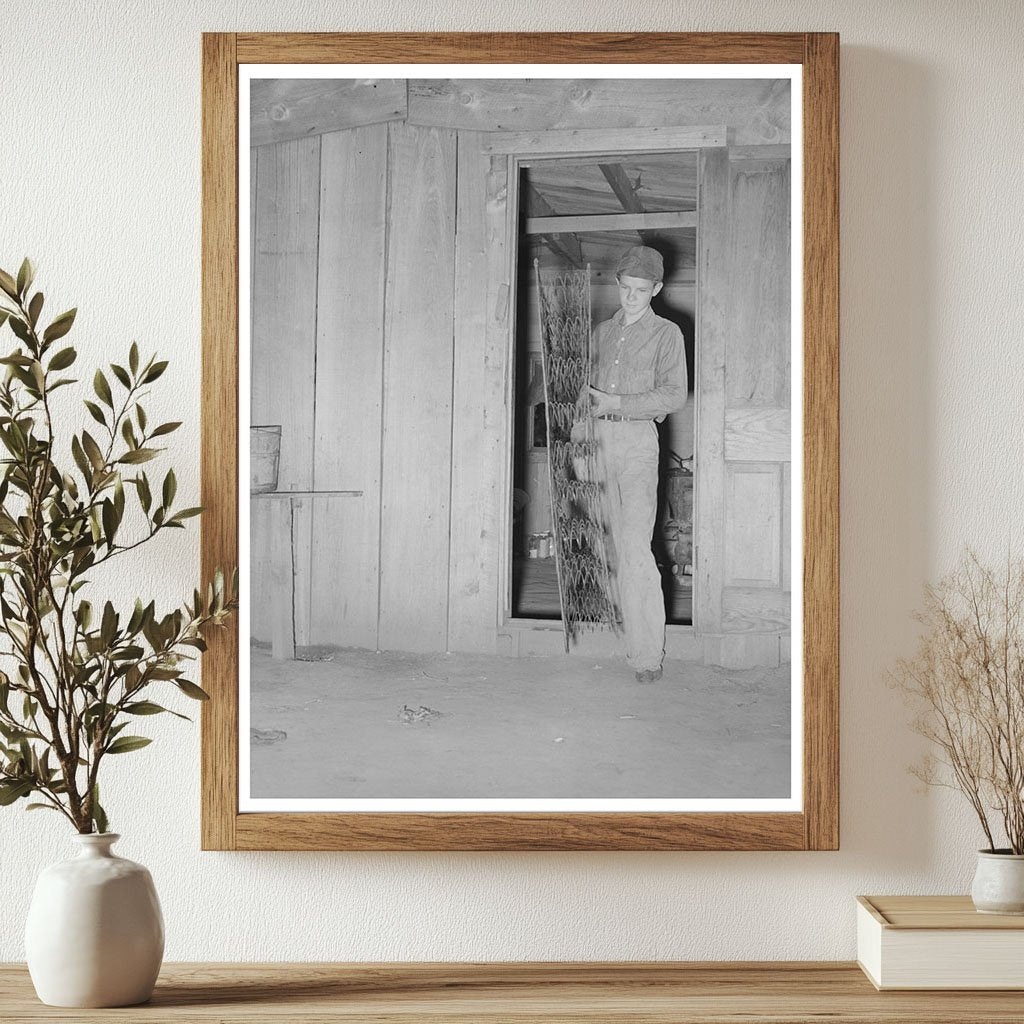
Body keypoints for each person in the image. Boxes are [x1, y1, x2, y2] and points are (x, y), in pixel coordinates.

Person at [588, 245, 688, 683]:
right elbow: (581, 392)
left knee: (634, 547)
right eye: (626, 288)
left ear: (657, 289)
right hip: (594, 442)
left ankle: (646, 655)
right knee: (601, 545)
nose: (631, 297)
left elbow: (673, 395)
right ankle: (617, 636)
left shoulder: (667, 334)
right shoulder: (600, 334)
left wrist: (619, 402)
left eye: (641, 290)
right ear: (618, 285)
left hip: (636, 444)